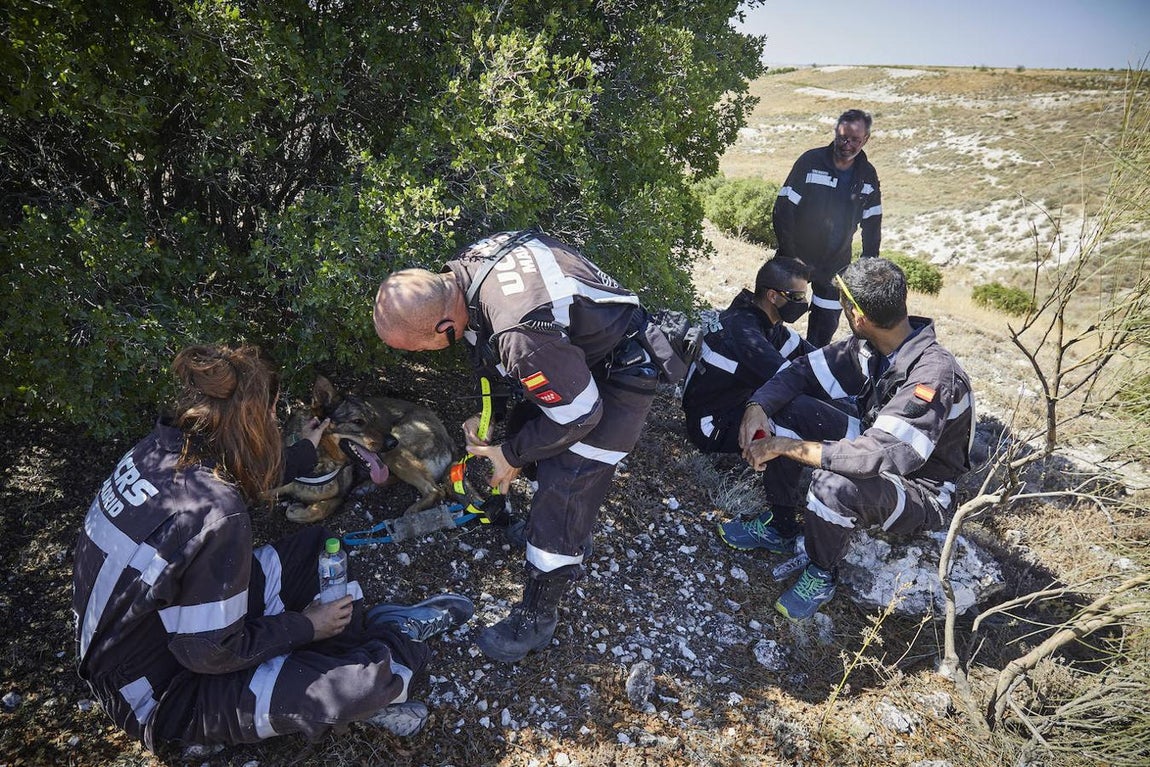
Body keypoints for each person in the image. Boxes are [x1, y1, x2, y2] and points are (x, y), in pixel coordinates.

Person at [72, 344, 475, 753]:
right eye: (271, 413)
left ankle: (341, 645)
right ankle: (392, 638)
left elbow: (242, 473)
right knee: (368, 685)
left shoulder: (159, 450)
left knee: (319, 552)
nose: (274, 422)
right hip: (162, 695)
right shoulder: (218, 514)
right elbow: (208, 652)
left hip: (153, 630)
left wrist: (305, 450)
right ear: (253, 418)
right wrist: (306, 626)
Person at [373, 230, 675, 663]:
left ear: (443, 326)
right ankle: (559, 535)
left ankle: (537, 617)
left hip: (618, 371)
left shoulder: (520, 330)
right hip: (573, 355)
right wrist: (489, 418)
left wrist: (509, 455)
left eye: (423, 347)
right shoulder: (465, 273)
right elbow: (486, 347)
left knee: (567, 480)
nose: (427, 354)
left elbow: (581, 415)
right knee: (526, 431)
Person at [725, 258, 974, 619]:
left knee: (832, 484)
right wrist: (758, 405)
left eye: (843, 305)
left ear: (857, 315)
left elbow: (872, 458)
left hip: (922, 487)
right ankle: (780, 526)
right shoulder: (871, 346)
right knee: (788, 410)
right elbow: (801, 373)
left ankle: (822, 571)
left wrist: (782, 446)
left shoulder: (933, 376)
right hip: (876, 444)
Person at [682, 256, 814, 454]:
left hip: (732, 404)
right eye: (797, 297)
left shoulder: (758, 317)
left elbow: (808, 353)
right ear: (772, 296)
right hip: (711, 426)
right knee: (796, 418)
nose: (804, 303)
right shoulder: (745, 337)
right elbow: (791, 380)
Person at [773, 108, 882, 347]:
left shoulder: (868, 175)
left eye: (855, 140)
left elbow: (872, 225)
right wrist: (790, 256)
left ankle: (808, 364)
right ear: (835, 132)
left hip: (836, 266)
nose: (847, 144)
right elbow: (783, 209)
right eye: (842, 137)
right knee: (771, 315)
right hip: (795, 257)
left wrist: (867, 267)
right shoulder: (810, 161)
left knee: (822, 332)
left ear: (866, 139)